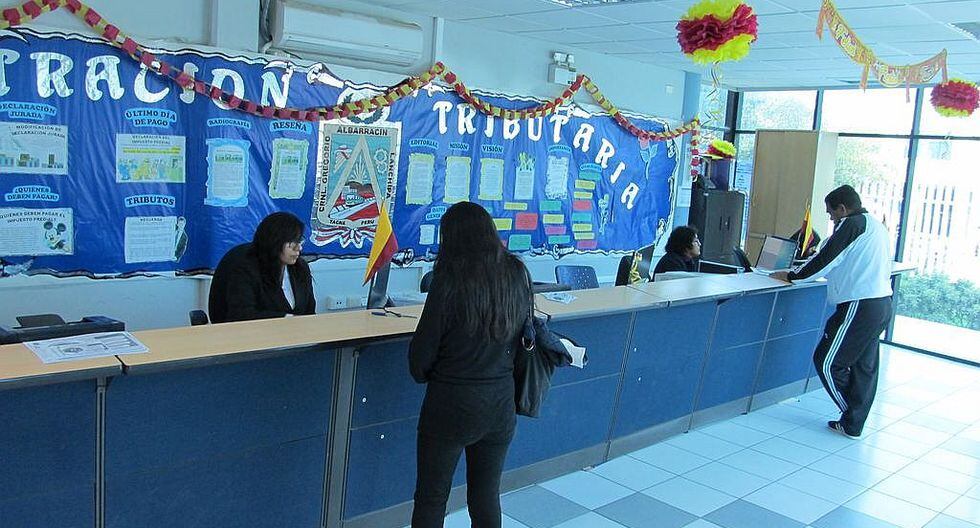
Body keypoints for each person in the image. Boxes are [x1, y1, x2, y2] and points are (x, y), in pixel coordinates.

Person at [408, 201, 532, 528]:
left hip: (451, 404)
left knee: (432, 497)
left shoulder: (449, 278)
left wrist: (430, 372)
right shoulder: (517, 272)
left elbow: (420, 360)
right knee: (485, 494)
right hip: (501, 403)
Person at [771, 185, 892, 439]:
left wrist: (793, 276)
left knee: (827, 361)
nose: (831, 218)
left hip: (859, 304)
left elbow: (825, 259)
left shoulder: (852, 224)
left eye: (831, 213)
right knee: (864, 367)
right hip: (880, 303)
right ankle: (853, 424)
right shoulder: (874, 226)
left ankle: (853, 417)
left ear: (842, 209)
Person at [208, 211, 315, 323]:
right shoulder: (245, 268)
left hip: (295, 332)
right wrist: (287, 319)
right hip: (246, 332)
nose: (299, 248)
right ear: (275, 242)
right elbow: (241, 315)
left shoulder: (300, 268)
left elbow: (309, 312)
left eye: (300, 241)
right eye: (292, 242)